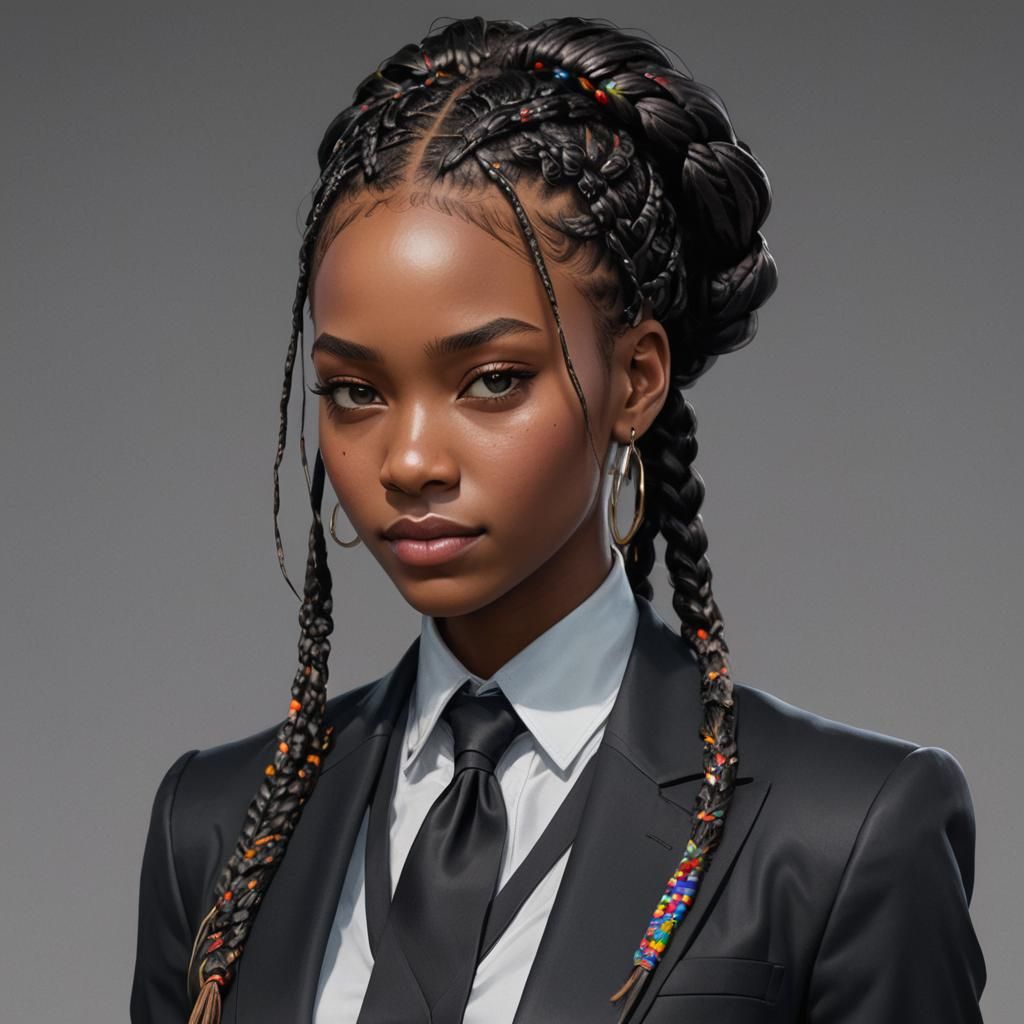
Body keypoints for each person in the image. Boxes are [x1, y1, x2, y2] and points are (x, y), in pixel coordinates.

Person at [129, 15, 986, 1024]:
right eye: (356, 391)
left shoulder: (845, 830)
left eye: (492, 379)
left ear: (637, 379)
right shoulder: (216, 828)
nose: (408, 460)